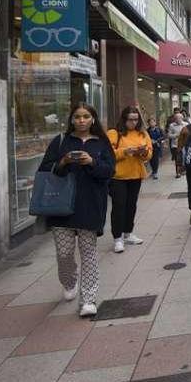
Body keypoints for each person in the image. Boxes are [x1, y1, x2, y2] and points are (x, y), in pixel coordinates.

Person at [38, 103, 114, 317]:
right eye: (77, 117)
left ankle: (88, 299)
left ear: (93, 119)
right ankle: (69, 280)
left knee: (88, 253)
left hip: (90, 205)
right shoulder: (60, 141)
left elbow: (110, 170)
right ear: (72, 119)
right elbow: (44, 169)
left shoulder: (101, 142)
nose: (81, 120)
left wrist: (92, 162)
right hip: (60, 207)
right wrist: (62, 162)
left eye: (86, 116)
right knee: (64, 254)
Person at [107, 106, 153, 253]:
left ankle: (128, 233)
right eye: (130, 119)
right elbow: (108, 154)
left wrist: (143, 152)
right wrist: (124, 152)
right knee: (119, 206)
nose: (133, 122)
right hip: (118, 176)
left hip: (136, 174)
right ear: (124, 119)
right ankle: (117, 238)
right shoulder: (114, 133)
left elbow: (149, 153)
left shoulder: (142, 133)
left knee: (131, 205)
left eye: (136, 119)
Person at [167, 112, 189, 178]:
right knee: (177, 159)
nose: (177, 120)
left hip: (184, 144)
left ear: (182, 118)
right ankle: (178, 172)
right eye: (176, 118)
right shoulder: (171, 125)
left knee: (184, 157)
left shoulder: (186, 124)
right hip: (175, 145)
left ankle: (184, 169)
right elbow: (169, 135)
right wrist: (176, 135)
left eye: (179, 118)